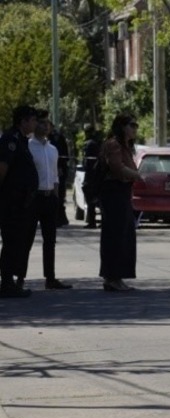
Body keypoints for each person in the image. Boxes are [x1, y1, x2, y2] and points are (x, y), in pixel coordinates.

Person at [24, 109, 73, 290]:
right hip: (33, 198)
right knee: (26, 239)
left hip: (49, 198)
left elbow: (55, 175)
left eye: (48, 123)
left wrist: (57, 197)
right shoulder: (28, 146)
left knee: (50, 240)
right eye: (42, 123)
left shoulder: (53, 149)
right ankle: (20, 278)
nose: (45, 126)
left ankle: (50, 278)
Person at [98, 114, 142, 292]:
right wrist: (136, 175)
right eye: (132, 125)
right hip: (113, 194)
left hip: (123, 193)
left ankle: (117, 277)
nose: (135, 129)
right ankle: (112, 277)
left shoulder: (126, 146)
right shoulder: (113, 144)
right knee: (115, 236)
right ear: (123, 127)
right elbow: (116, 167)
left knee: (124, 236)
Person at [0, 105, 38, 298]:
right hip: (11, 201)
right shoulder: (11, 139)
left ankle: (10, 281)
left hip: (22, 201)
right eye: (33, 120)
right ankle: (6, 283)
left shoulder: (22, 140)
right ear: (23, 121)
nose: (35, 123)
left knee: (16, 242)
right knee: (11, 241)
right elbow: (2, 168)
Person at [48, 123, 70, 227]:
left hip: (59, 169)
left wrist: (60, 166)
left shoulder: (58, 138)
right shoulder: (45, 138)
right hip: (49, 170)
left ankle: (60, 217)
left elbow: (63, 154)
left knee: (60, 194)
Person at [81, 123, 100, 228]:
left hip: (91, 177)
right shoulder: (96, 143)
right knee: (93, 200)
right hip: (94, 176)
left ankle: (92, 221)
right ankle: (92, 221)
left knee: (91, 200)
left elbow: (88, 163)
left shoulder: (90, 144)